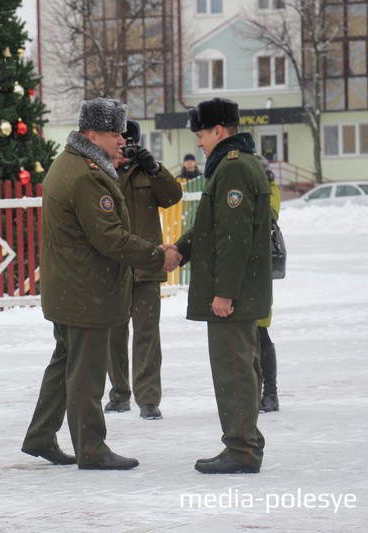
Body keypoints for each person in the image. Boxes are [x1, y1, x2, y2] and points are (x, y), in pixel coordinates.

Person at [20, 98, 179, 470]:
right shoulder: (89, 174)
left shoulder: (70, 163)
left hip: (70, 288)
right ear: (92, 134)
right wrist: (159, 256)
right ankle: (91, 448)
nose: (121, 140)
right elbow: (110, 238)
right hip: (86, 291)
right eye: (113, 133)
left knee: (65, 364)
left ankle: (42, 435)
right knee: (87, 375)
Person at [173, 97, 271, 474]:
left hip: (236, 294)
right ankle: (246, 441)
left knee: (234, 369)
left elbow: (234, 238)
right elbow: (213, 230)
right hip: (243, 291)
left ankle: (242, 448)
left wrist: (225, 293)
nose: (199, 142)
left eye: (201, 134)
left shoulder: (231, 170)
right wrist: (180, 251)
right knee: (242, 366)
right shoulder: (236, 165)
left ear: (218, 131)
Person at [106, 120, 183, 420]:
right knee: (114, 333)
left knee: (147, 334)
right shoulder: (101, 171)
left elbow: (172, 197)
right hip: (114, 266)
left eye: (129, 143)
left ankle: (148, 398)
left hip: (147, 265)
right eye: (119, 141)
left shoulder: (148, 171)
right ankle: (119, 394)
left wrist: (154, 168)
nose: (123, 147)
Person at [256, 155, 281, 413]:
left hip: (260, 271)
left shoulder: (270, 192)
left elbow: (269, 213)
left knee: (261, 333)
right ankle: (254, 391)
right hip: (245, 270)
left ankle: (270, 392)